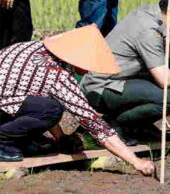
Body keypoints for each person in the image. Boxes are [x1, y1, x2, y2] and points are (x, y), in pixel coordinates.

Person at [0, 25, 155, 175]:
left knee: (44, 110)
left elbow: (34, 101)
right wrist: (136, 161)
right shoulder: (57, 75)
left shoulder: (32, 47)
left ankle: (14, 140)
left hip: (5, 103)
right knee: (53, 110)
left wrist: (61, 138)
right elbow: (95, 124)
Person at [81, 0, 170, 142]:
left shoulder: (148, 13)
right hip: (101, 87)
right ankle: (114, 125)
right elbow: (164, 79)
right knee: (169, 98)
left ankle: (140, 127)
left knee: (165, 62)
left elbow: (159, 47)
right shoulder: (148, 31)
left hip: (113, 79)